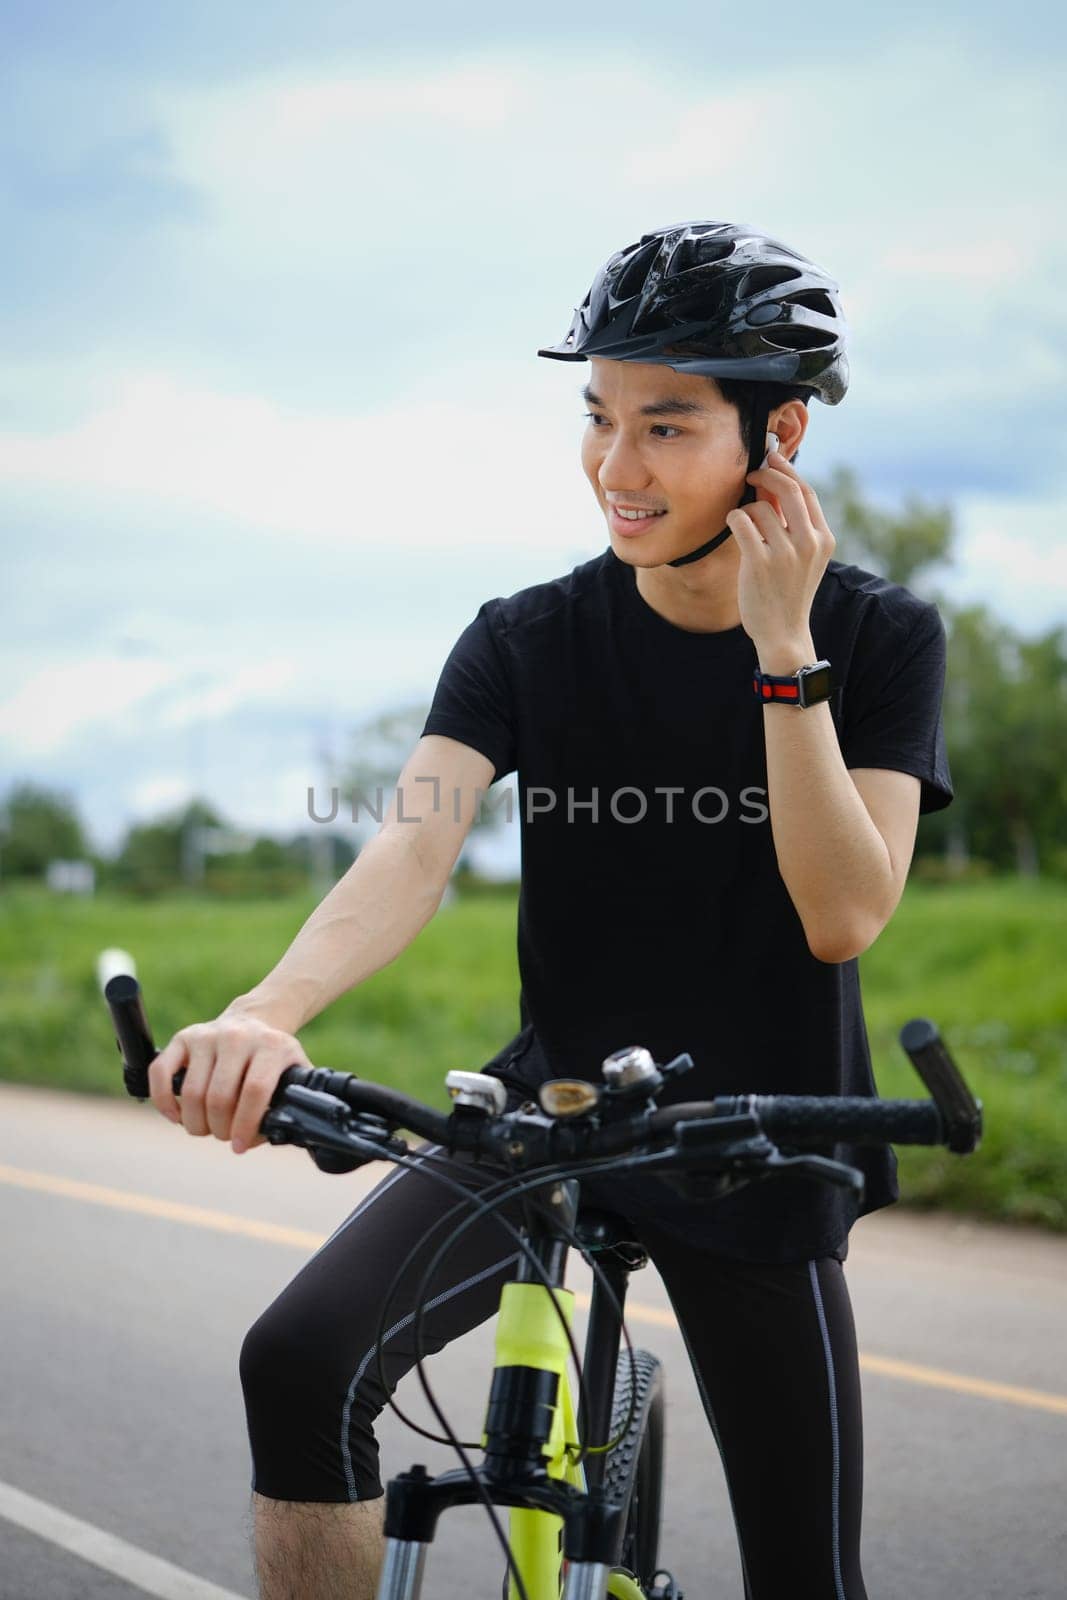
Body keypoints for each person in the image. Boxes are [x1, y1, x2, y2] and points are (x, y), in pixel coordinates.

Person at [148, 220, 953, 1600]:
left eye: (666, 425)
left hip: (765, 1135)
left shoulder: (877, 638)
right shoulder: (527, 637)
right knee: (297, 1361)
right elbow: (409, 851)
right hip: (556, 1109)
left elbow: (842, 913)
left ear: (781, 438)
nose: (615, 468)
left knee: (808, 1579)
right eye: (596, 418)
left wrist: (782, 648)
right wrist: (267, 1010)